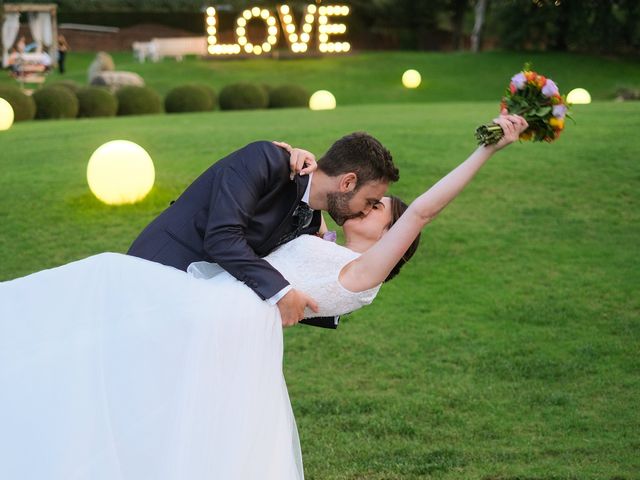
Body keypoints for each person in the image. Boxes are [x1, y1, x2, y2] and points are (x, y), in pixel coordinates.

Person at [0, 115, 528, 479]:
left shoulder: (364, 271)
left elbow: (422, 212)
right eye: (370, 200)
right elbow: (273, 222)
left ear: (395, 238)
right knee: (140, 391)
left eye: (376, 210)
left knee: (96, 318)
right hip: (213, 309)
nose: (369, 209)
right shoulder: (319, 231)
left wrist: (486, 148)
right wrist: (287, 153)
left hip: (219, 320)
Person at [128, 132, 399, 329]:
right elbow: (222, 238)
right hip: (158, 271)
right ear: (348, 182)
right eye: (370, 202)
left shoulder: (312, 221)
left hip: (202, 309)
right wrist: (281, 291)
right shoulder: (265, 160)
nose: (366, 211)